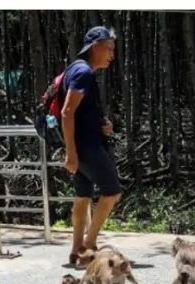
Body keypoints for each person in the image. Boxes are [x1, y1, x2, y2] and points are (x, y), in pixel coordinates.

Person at [60, 26, 121, 266]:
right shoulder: (83, 73)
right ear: (95, 46)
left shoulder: (74, 69)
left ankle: (76, 250)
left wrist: (101, 125)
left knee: (83, 196)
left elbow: (79, 112)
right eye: (109, 49)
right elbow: (67, 113)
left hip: (83, 142)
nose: (111, 55)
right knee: (112, 191)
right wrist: (71, 152)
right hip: (85, 146)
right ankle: (88, 246)